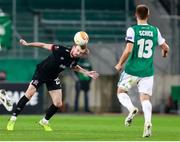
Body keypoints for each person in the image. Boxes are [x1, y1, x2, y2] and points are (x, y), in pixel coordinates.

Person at [7, 33, 99, 131]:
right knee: (29, 94)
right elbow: (43, 45)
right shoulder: (61, 49)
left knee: (58, 103)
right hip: (41, 72)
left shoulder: (76, 58)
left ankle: (44, 121)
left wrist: (86, 72)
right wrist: (27, 44)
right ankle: (12, 119)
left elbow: (73, 66)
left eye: (80, 52)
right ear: (74, 46)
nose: (77, 53)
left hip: (53, 77)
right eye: (77, 50)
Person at [115, 4, 169, 137]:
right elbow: (165, 46)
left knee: (121, 91)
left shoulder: (132, 30)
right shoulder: (155, 30)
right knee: (145, 98)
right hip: (147, 71)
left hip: (132, 70)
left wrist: (119, 63)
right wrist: (164, 52)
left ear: (136, 15)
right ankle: (148, 122)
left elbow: (128, 49)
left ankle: (131, 108)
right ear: (148, 15)